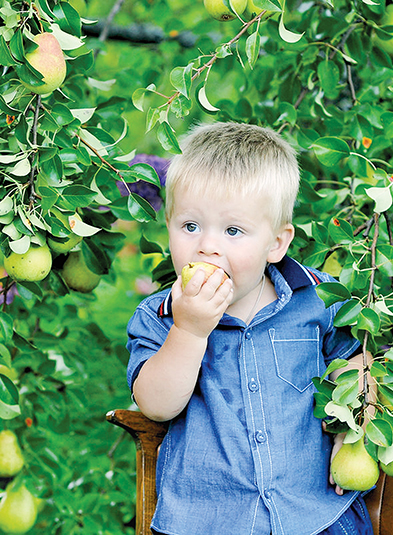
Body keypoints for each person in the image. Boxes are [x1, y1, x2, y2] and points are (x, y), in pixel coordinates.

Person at [125, 122, 374, 535]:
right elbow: (156, 404)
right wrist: (189, 331)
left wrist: (352, 429)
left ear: (276, 243)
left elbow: (356, 357)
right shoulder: (161, 316)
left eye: (233, 230)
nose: (207, 246)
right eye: (190, 226)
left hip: (315, 515)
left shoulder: (318, 298)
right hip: (209, 521)